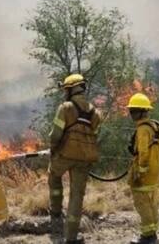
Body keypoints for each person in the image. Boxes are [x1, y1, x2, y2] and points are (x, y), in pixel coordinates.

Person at [48, 74, 102, 244]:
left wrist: (52, 148)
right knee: (77, 196)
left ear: (70, 90)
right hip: (84, 158)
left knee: (53, 175)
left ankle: (56, 211)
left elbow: (56, 134)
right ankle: (71, 238)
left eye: (66, 89)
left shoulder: (65, 108)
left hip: (65, 154)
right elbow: (93, 134)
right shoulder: (95, 112)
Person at [126, 93, 159, 244]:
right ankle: (153, 234)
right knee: (151, 203)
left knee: (141, 203)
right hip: (155, 172)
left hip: (144, 173)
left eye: (134, 111)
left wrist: (140, 172)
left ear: (142, 111)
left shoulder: (142, 130)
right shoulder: (155, 127)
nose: (131, 114)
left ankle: (148, 237)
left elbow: (143, 152)